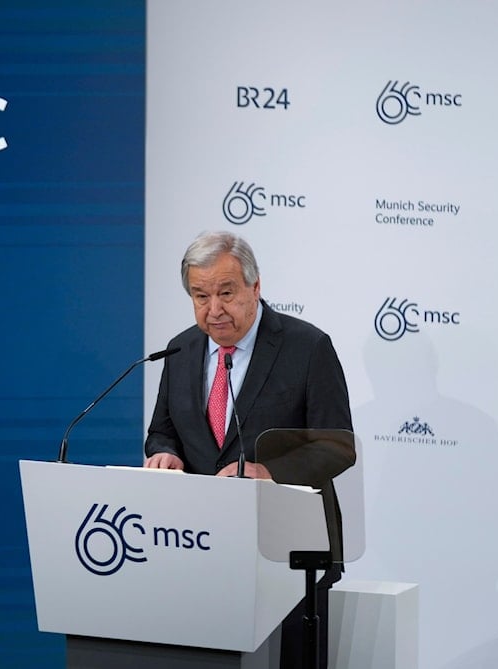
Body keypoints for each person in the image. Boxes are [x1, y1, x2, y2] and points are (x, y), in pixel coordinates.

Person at [144, 230, 355, 668]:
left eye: (226, 293)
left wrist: (269, 472)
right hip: (200, 550)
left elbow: (337, 446)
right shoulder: (181, 349)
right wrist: (165, 454)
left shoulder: (307, 347)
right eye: (200, 296)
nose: (214, 310)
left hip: (290, 559)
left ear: (255, 288)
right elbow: (162, 431)